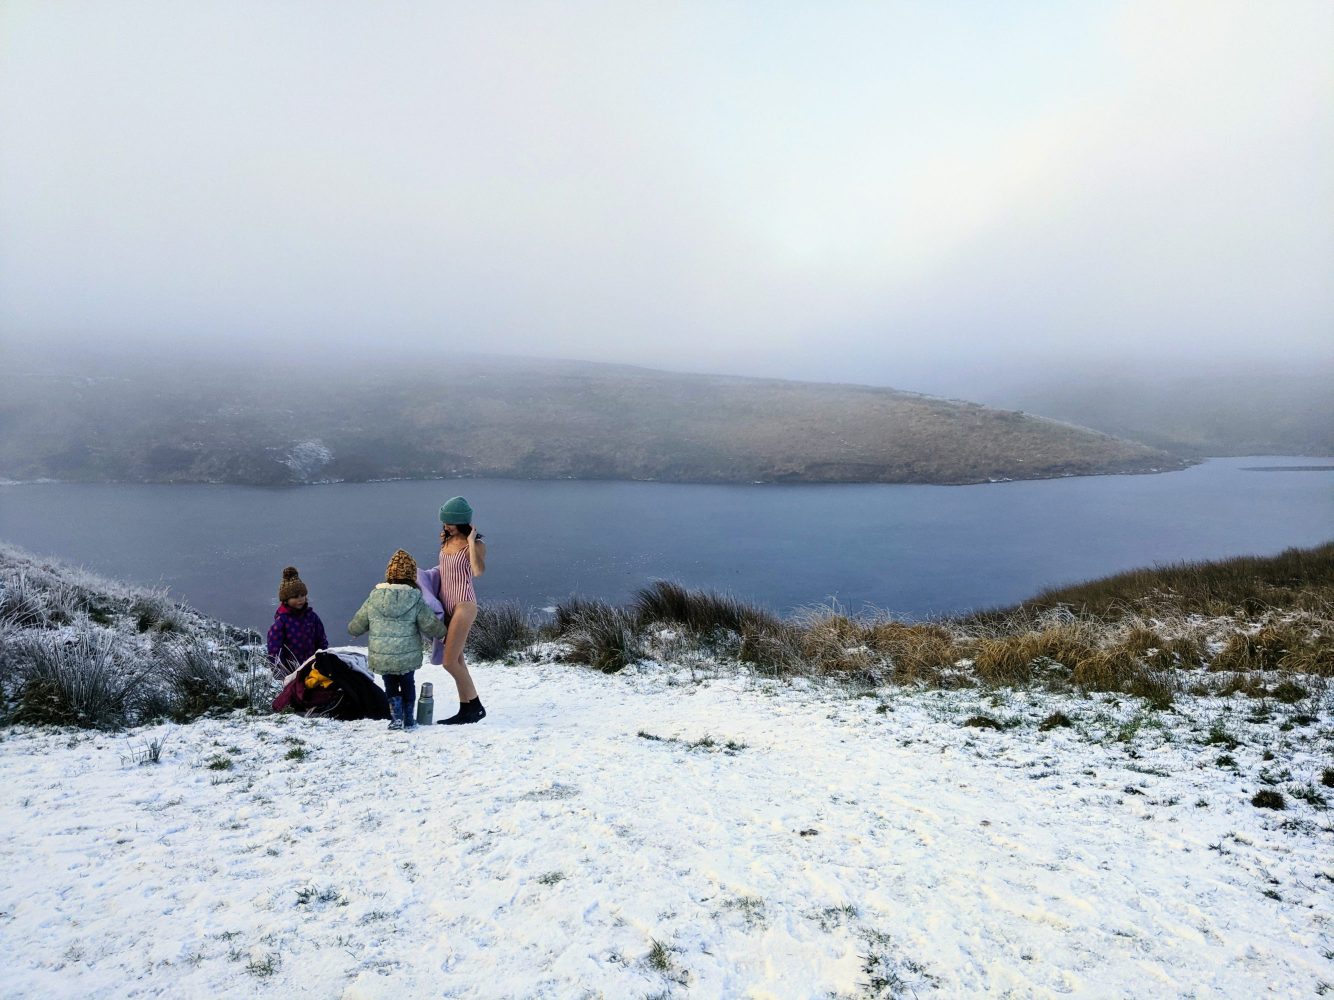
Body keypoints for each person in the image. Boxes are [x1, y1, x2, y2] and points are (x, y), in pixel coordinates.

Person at [347, 549, 446, 731]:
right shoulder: (415, 598)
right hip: (407, 656)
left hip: (383, 656)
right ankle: (409, 719)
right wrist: (443, 633)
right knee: (408, 683)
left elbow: (359, 622)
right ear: (412, 577)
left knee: (390, 684)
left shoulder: (374, 597)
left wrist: (354, 630)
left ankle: (396, 718)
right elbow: (429, 624)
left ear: (388, 576)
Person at [427, 496, 487, 725]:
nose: (446, 526)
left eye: (450, 523)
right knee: (458, 660)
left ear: (461, 522)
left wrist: (471, 542)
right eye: (444, 522)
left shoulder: (478, 545)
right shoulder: (445, 540)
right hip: (447, 605)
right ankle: (466, 709)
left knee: (449, 662)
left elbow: (478, 571)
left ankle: (476, 706)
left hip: (464, 604)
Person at [266, 566, 328, 678]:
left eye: (302, 595)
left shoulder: (312, 617)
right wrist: (280, 672)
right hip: (291, 672)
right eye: (295, 597)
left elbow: (321, 640)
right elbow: (274, 649)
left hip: (313, 668)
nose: (300, 599)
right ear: (285, 599)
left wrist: (323, 659)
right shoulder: (281, 622)